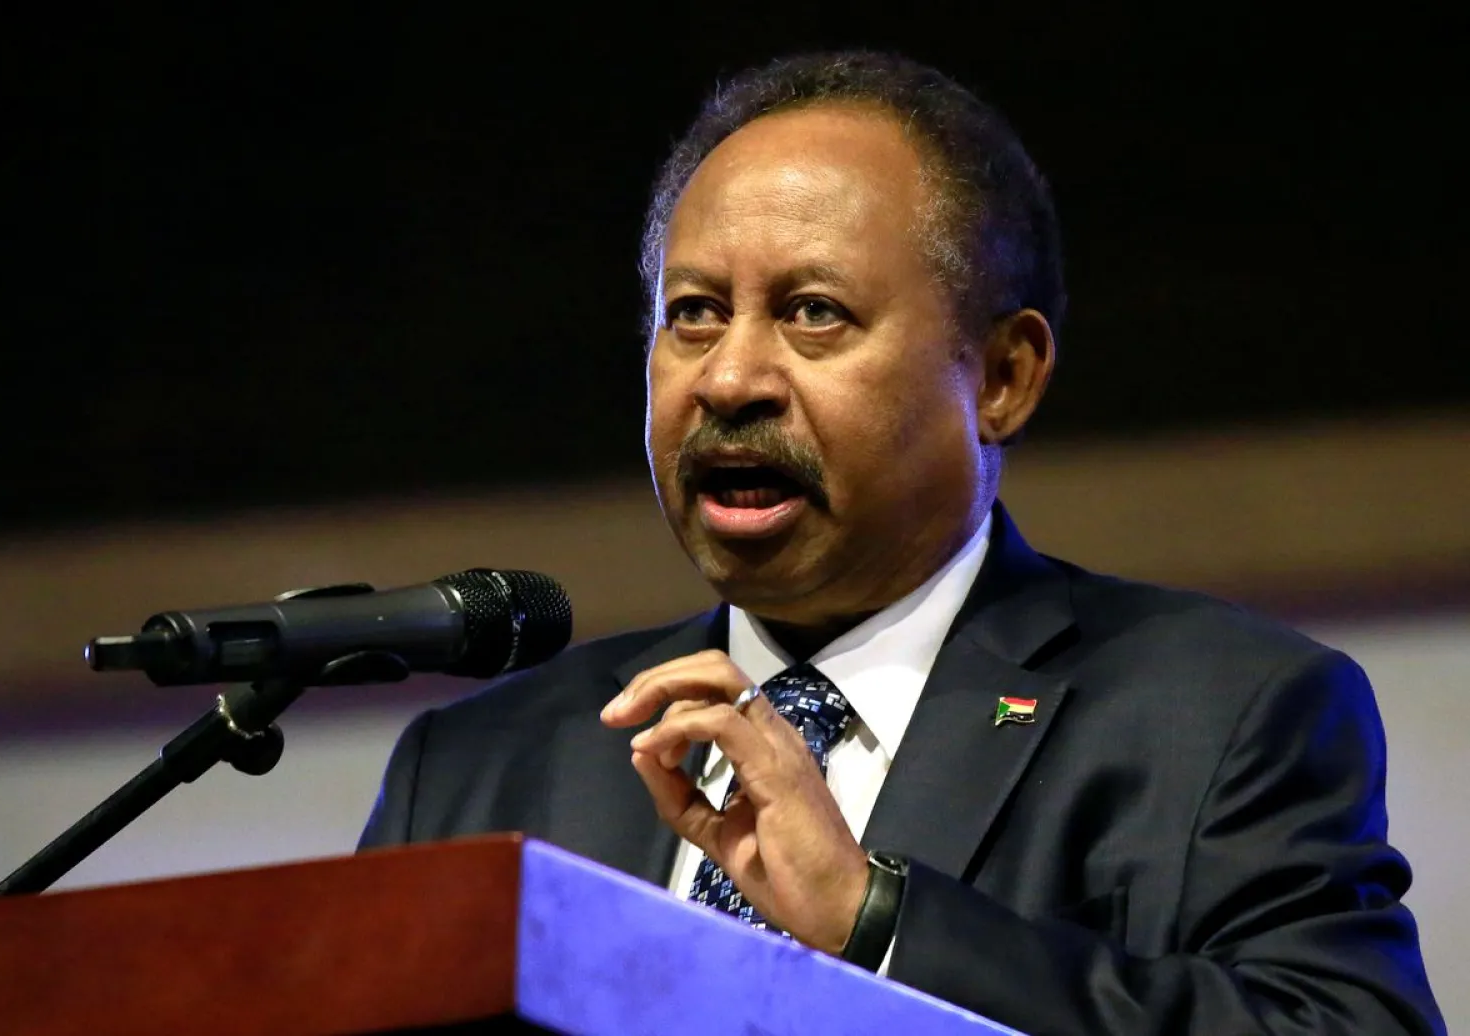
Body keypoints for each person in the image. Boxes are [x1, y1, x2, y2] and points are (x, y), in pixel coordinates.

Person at [359, 51, 1443, 1034]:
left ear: (1004, 376)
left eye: (814, 312)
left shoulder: (1222, 715)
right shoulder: (472, 775)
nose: (730, 378)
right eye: (692, 313)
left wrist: (874, 919)